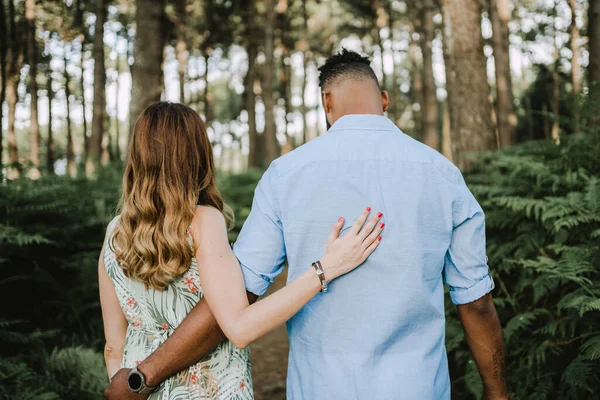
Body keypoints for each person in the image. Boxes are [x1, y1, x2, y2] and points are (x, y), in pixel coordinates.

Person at [104, 49, 508, 400]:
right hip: (418, 387)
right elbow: (475, 303)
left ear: (325, 101)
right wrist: (497, 391)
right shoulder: (443, 174)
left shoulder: (286, 174)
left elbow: (236, 298)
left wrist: (144, 375)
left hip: (319, 387)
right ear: (383, 100)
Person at [99, 101, 384, 399]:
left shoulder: (113, 235)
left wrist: (132, 385)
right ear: (198, 155)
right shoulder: (202, 221)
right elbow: (240, 328)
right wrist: (325, 269)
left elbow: (112, 347)